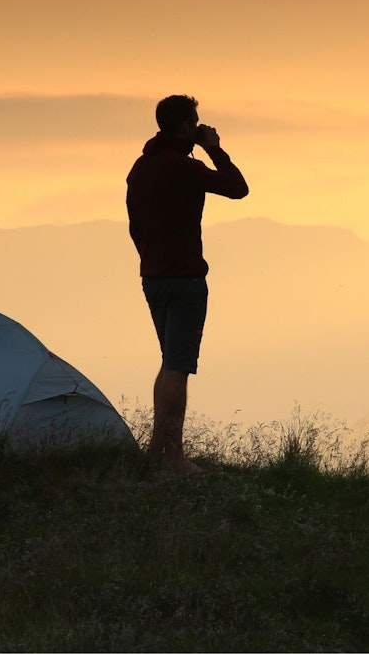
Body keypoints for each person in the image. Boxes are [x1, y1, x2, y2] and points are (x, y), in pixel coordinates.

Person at [126, 94, 249, 475]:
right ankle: (174, 458)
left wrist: (150, 258)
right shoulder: (183, 167)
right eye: (194, 123)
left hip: (153, 277)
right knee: (179, 366)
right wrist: (214, 149)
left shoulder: (141, 167)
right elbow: (238, 187)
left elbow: (134, 225)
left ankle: (156, 452)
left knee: (168, 363)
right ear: (184, 127)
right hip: (185, 279)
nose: (198, 128)